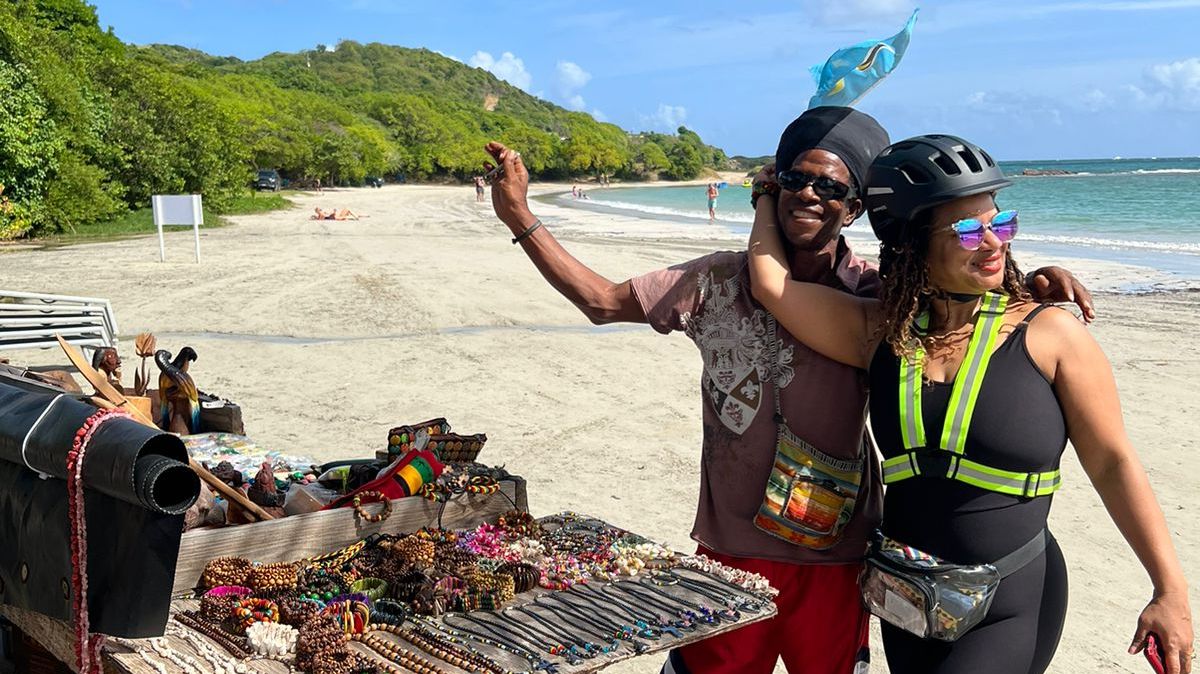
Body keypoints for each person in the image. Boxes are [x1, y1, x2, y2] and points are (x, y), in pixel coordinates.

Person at [482, 107, 1090, 674]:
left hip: (839, 554)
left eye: (831, 188)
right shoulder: (714, 281)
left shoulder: (884, 300)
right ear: (773, 188)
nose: (810, 195)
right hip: (731, 549)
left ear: (853, 209)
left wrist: (1031, 286)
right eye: (796, 180)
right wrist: (521, 218)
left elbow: (972, 305)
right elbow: (600, 301)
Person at [747, 134, 1192, 674]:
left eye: (1001, 225)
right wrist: (768, 191)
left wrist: (1169, 589)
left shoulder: (1051, 334)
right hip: (907, 597)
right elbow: (772, 284)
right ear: (913, 242)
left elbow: (1113, 462)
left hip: (1010, 596)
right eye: (967, 230)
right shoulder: (880, 332)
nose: (993, 242)